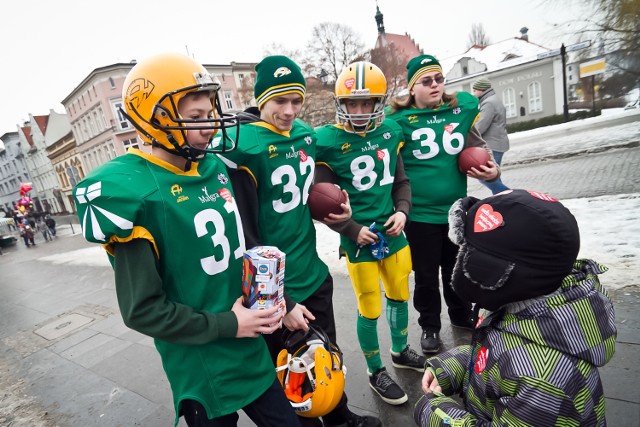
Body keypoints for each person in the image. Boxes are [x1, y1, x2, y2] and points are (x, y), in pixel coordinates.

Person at [73, 53, 301, 427]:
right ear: (151, 119)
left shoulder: (212, 167)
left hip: (248, 346)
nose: (210, 126)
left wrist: (274, 298)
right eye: (194, 118)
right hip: (202, 363)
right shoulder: (137, 192)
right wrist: (229, 324)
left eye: (209, 113)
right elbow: (142, 310)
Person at [218, 55, 381, 427]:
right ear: (261, 100)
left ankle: (339, 417)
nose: (289, 110)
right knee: (296, 372)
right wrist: (282, 301)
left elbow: (302, 199)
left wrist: (336, 212)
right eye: (280, 101)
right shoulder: (243, 146)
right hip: (274, 285)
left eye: (296, 101)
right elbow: (245, 232)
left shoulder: (304, 133)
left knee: (328, 354)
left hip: (311, 269)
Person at [414, 189, 617, 426]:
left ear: (495, 274)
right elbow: (498, 354)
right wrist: (453, 366)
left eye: (466, 251)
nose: (459, 257)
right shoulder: (519, 304)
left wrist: (434, 412)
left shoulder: (543, 380)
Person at [315, 61, 425, 406]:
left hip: (393, 233)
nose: (359, 111)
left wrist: (402, 211)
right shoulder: (327, 142)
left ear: (380, 102)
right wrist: (351, 228)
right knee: (370, 306)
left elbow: (401, 182)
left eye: (367, 103)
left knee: (398, 295)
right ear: (341, 104)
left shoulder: (391, 131)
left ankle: (399, 350)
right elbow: (320, 201)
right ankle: (375, 370)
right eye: (352, 103)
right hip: (359, 238)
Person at [386, 54, 500, 355]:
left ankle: (461, 314)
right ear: (412, 88)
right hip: (420, 213)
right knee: (425, 274)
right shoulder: (397, 121)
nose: (434, 85)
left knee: (457, 267)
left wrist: (494, 171)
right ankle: (430, 326)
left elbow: (477, 145)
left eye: (438, 79)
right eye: (426, 81)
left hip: (454, 210)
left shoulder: (458, 111)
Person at [472, 78, 510, 194]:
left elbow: (480, 126)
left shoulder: (488, 103)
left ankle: (508, 195)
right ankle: (502, 201)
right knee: (494, 176)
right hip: (498, 143)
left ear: (482, 89)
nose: (473, 93)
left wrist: (468, 134)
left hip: (493, 144)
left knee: (485, 176)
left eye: (474, 90)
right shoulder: (493, 99)